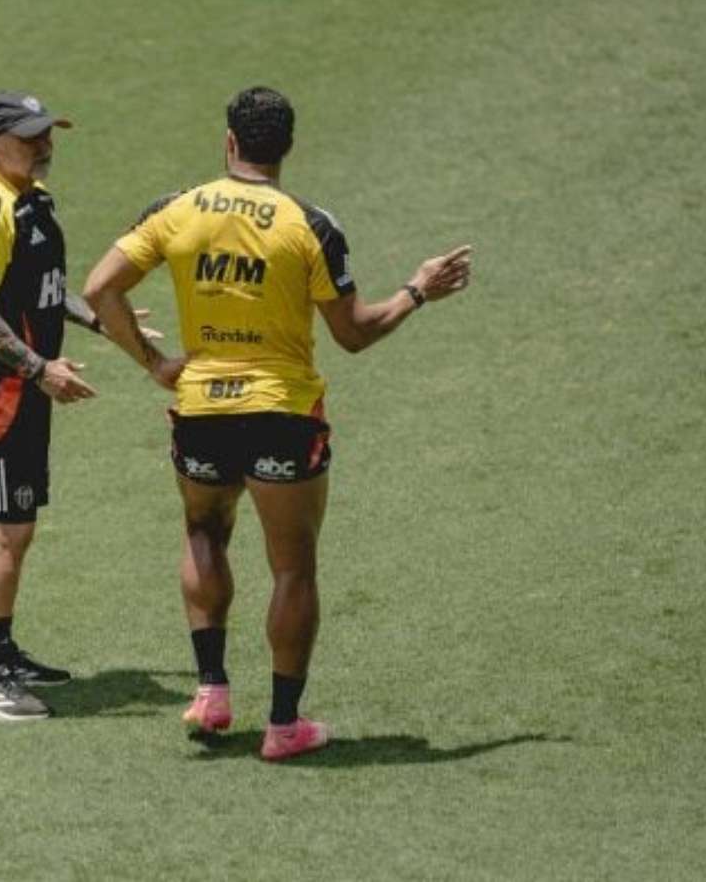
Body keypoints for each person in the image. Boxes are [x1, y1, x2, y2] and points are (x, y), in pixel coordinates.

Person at [83, 86, 473, 759]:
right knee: (293, 568)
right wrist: (417, 290)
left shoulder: (177, 208)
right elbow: (355, 333)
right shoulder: (309, 224)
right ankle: (284, 726)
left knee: (203, 532)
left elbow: (99, 288)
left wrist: (154, 362)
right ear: (286, 147)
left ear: (229, 141)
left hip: (202, 407)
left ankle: (212, 691)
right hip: (282, 412)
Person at [0, 91, 109, 722]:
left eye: (47, 133)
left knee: (21, 521)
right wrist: (39, 369)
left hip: (25, 382)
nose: (44, 146)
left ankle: (2, 650)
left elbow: (41, 288)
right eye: (29, 137)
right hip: (1, 390)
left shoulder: (31, 200)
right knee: (7, 526)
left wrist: (101, 321)